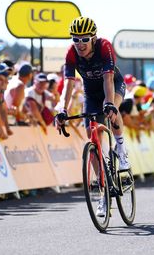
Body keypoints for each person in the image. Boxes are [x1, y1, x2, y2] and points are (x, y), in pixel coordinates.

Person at [55, 17, 129, 217]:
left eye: (84, 39)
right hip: (90, 93)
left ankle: (121, 147)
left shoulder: (104, 47)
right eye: (75, 39)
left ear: (93, 38)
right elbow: (68, 84)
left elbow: (108, 79)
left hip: (113, 86)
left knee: (113, 112)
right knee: (91, 135)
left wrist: (109, 102)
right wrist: (63, 109)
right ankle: (103, 191)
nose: (80, 44)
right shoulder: (71, 54)